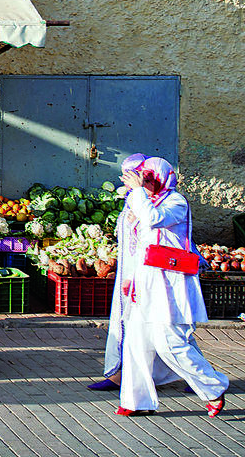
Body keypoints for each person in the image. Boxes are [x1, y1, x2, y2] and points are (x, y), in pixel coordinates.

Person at [115, 156, 229, 417]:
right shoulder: (146, 201)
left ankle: (213, 386)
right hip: (145, 280)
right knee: (136, 342)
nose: (146, 183)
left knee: (169, 342)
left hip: (169, 283)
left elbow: (153, 219)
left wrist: (137, 193)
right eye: (144, 178)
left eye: (150, 178)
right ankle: (137, 400)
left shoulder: (176, 202)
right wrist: (131, 276)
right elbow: (141, 244)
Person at [89, 153, 180, 393]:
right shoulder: (136, 198)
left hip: (153, 271)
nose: (126, 180)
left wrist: (139, 197)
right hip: (131, 270)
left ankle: (200, 377)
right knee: (133, 323)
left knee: (165, 326)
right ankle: (122, 375)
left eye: (133, 175)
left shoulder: (167, 201)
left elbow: (153, 223)